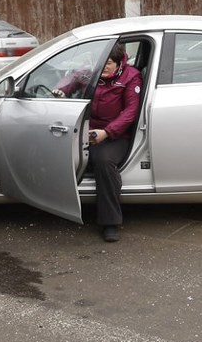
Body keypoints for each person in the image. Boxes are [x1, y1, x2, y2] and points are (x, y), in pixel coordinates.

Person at [54, 43, 142, 243]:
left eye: (109, 64)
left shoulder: (131, 76)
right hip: (88, 129)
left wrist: (107, 132)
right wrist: (60, 90)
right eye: (100, 63)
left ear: (120, 62)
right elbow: (72, 79)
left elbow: (130, 113)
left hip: (116, 134)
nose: (103, 68)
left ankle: (110, 222)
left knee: (103, 161)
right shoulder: (90, 71)